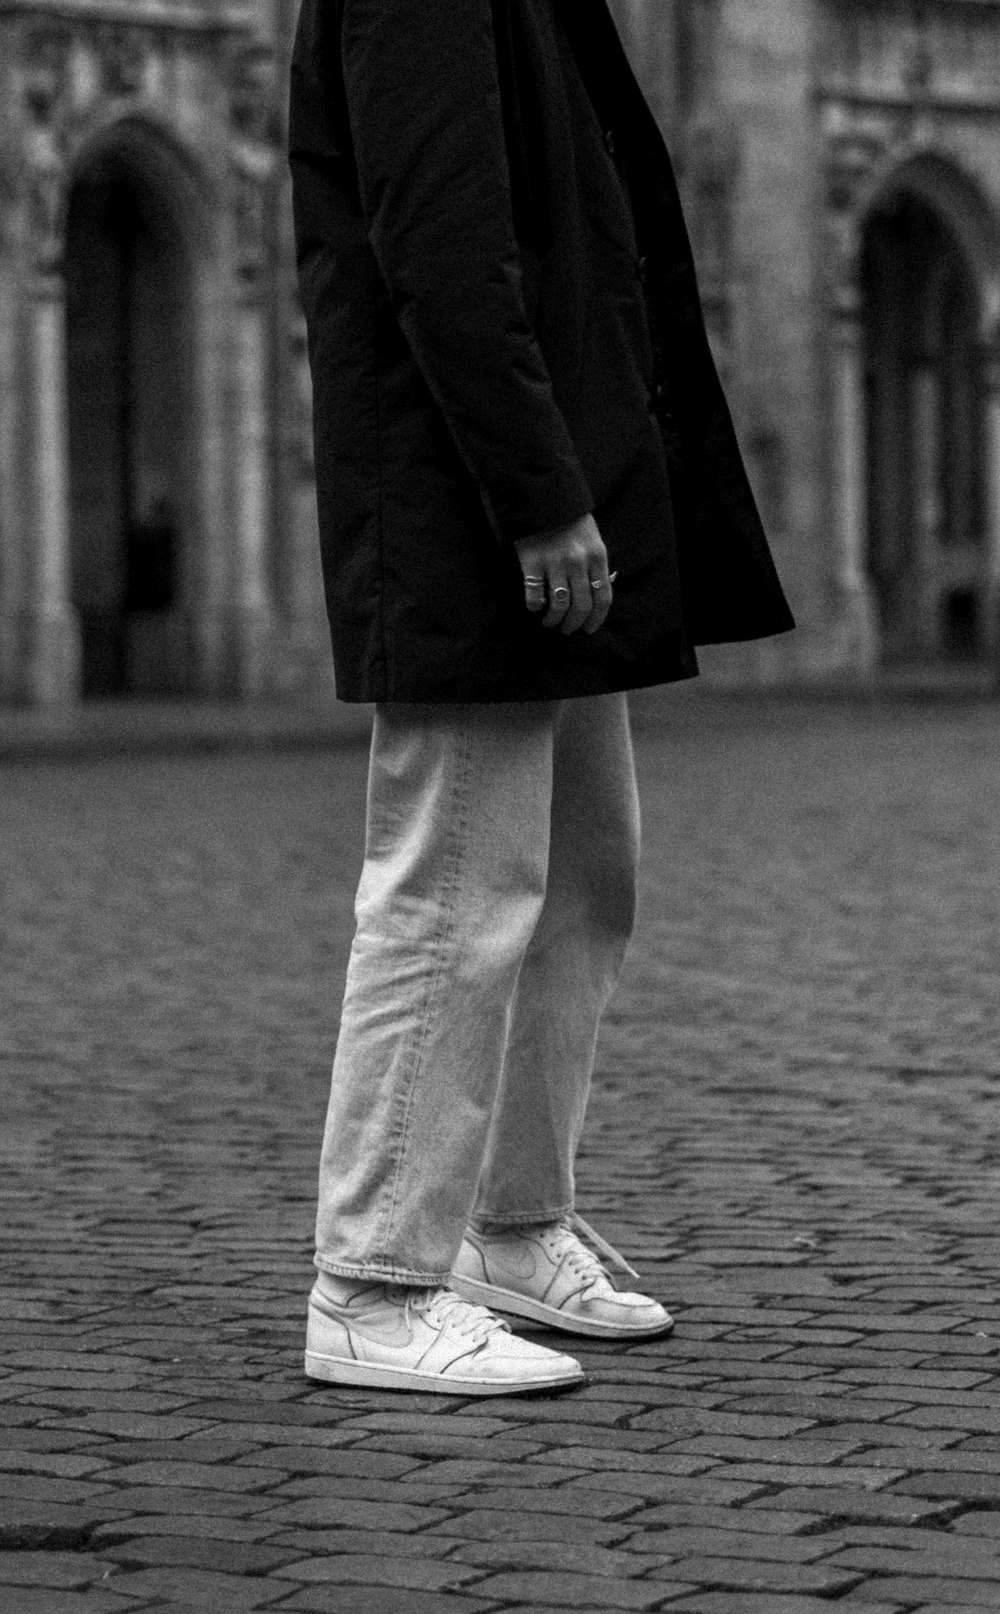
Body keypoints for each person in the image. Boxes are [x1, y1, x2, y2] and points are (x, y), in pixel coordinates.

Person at [287, 0, 794, 1394]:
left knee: (583, 870)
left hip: (559, 494)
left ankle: (510, 1225)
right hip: (473, 502)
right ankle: (374, 1282)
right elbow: (440, 247)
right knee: (455, 877)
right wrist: (538, 494)